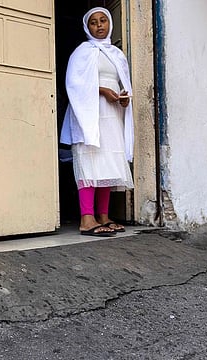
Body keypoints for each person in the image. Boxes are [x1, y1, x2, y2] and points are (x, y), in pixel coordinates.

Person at [60, 7, 134, 237]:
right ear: (87, 27)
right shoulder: (82, 52)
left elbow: (122, 82)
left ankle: (103, 215)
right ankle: (86, 218)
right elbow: (74, 85)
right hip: (89, 112)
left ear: (110, 24)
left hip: (112, 113)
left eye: (103, 20)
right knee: (89, 161)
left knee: (106, 162)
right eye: (94, 22)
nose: (99, 25)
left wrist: (122, 98)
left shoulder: (116, 54)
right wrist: (103, 91)